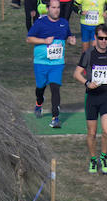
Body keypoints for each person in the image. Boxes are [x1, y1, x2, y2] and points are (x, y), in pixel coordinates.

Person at [74, 24, 107, 174]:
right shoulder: (88, 54)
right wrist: (87, 83)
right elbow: (76, 73)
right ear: (95, 38)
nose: (103, 41)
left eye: (106, 38)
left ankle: (103, 157)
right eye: (101, 38)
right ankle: (92, 159)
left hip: (106, 97)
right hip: (91, 98)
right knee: (92, 133)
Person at [27, 0, 77, 128]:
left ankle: (55, 118)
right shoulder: (40, 23)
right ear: (48, 8)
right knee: (40, 87)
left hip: (57, 63)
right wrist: (44, 40)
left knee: (55, 89)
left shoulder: (64, 23)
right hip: (41, 63)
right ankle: (39, 102)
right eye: (53, 7)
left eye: (58, 8)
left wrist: (71, 39)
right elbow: (29, 39)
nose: (56, 10)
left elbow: (68, 36)